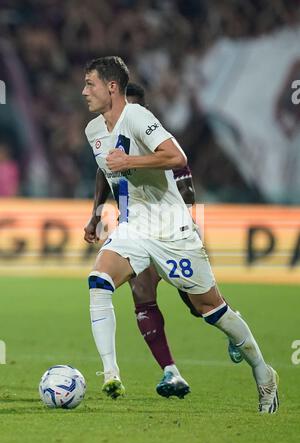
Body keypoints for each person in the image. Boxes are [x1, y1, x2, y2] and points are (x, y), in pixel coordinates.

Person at [82, 56, 279, 413]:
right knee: (99, 280)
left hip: (172, 228)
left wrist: (131, 163)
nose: (84, 92)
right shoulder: (93, 131)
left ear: (112, 87)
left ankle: (264, 373)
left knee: (210, 310)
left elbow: (176, 156)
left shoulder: (139, 117)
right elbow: (104, 169)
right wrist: (97, 214)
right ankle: (111, 373)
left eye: (90, 84)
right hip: (134, 226)